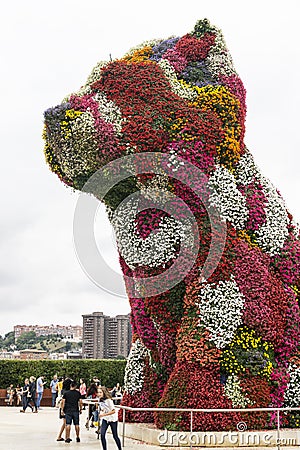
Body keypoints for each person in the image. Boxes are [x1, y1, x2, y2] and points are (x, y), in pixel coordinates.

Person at [98, 386, 122, 450]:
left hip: (112, 419)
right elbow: (103, 408)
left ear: (104, 393)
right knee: (102, 434)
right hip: (105, 419)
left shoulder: (108, 400)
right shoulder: (100, 400)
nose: (99, 394)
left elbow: (113, 411)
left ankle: (120, 448)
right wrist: (102, 412)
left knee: (115, 436)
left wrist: (104, 414)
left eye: (100, 392)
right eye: (98, 392)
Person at [56, 377, 73, 442]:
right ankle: (65, 437)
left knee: (65, 423)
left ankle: (62, 436)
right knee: (66, 423)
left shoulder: (62, 390)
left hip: (62, 408)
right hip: (66, 408)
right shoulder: (68, 392)